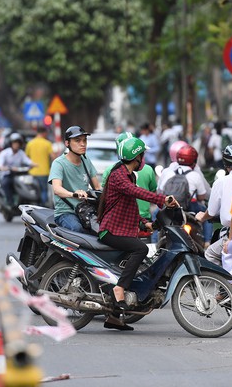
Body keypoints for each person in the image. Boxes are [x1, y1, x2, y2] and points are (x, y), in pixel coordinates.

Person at [97, 137, 176, 330]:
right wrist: (162, 199)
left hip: (122, 228)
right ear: (136, 157)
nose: (144, 159)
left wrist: (145, 223)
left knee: (135, 263)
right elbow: (137, 193)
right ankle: (119, 288)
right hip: (110, 230)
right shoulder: (119, 176)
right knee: (140, 250)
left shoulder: (128, 175)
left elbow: (129, 205)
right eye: (143, 155)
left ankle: (114, 317)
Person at [49, 126, 101, 233]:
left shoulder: (86, 161)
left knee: (102, 230)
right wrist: (74, 194)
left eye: (84, 140)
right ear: (67, 143)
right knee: (77, 230)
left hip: (85, 210)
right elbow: (57, 189)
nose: (83, 144)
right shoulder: (59, 163)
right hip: (66, 212)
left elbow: (97, 187)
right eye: (77, 141)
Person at [157, 144, 212, 243]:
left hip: (169, 208)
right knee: (207, 214)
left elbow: (160, 192)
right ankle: (207, 241)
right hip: (189, 208)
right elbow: (201, 196)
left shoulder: (167, 172)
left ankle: (154, 243)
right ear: (194, 160)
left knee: (156, 216)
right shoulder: (195, 175)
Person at [102, 132, 157, 222]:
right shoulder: (148, 169)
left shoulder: (110, 170)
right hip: (139, 218)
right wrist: (162, 199)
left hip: (125, 219)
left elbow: (105, 196)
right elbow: (152, 192)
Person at [0, 133, 37, 207]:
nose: (16, 145)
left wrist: (34, 164)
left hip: (19, 175)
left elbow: (27, 161)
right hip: (8, 174)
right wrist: (7, 168)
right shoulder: (5, 153)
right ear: (11, 143)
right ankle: (10, 202)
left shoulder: (21, 153)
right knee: (6, 183)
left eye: (18, 143)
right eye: (15, 143)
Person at [25, 127, 54, 204]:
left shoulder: (30, 143)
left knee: (34, 191)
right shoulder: (47, 143)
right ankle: (43, 207)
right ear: (44, 133)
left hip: (32, 172)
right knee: (44, 190)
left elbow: (26, 158)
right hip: (43, 172)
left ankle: (35, 205)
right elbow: (53, 157)